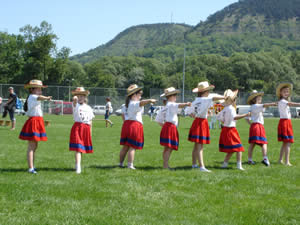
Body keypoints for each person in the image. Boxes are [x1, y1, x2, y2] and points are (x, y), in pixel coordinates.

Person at [186, 81, 224, 172]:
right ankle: (201, 166)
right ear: (205, 92)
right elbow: (214, 98)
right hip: (202, 121)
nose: (209, 93)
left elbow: (189, 112)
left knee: (196, 145)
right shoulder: (205, 99)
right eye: (208, 91)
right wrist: (225, 97)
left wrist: (195, 114)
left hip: (196, 121)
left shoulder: (196, 100)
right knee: (200, 145)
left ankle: (194, 164)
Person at [119, 84, 156, 169]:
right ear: (134, 95)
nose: (140, 96)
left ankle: (120, 163)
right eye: (139, 94)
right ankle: (130, 165)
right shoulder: (134, 103)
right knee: (133, 146)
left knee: (125, 146)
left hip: (127, 125)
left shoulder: (127, 104)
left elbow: (123, 116)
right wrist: (150, 100)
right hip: (134, 125)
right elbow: (141, 103)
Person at [19, 80, 52, 174]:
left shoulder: (33, 97)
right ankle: (30, 168)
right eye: (38, 89)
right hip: (34, 122)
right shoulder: (33, 96)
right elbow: (40, 97)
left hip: (37, 121)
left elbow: (39, 97)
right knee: (32, 146)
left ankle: (32, 166)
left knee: (34, 146)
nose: (40, 91)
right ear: (32, 89)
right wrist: (47, 97)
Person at [217, 89, 250, 171]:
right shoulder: (231, 108)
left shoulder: (224, 108)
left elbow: (219, 118)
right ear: (233, 100)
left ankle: (225, 164)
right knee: (239, 148)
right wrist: (245, 115)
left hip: (225, 129)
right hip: (231, 130)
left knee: (232, 149)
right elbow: (234, 117)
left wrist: (225, 121)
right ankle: (239, 165)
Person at [159, 87, 191, 169]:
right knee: (169, 148)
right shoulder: (171, 104)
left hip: (168, 126)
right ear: (170, 96)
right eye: (174, 95)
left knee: (167, 147)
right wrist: (186, 104)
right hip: (170, 127)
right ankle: (165, 165)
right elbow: (179, 105)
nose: (176, 96)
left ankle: (165, 165)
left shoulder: (168, 105)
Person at [246, 90, 277, 166]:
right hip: (258, 126)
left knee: (252, 144)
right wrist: (273, 103)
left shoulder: (252, 107)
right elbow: (264, 105)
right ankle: (265, 159)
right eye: (258, 97)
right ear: (254, 99)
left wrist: (251, 124)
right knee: (264, 143)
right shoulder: (256, 106)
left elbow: (246, 118)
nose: (260, 98)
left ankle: (250, 159)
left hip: (254, 126)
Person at [69, 87, 95, 174]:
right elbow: (74, 102)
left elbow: (91, 121)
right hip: (78, 127)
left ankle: (78, 164)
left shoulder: (88, 108)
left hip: (86, 128)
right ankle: (78, 167)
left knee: (81, 148)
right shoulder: (75, 105)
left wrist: (90, 132)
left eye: (82, 96)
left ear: (85, 97)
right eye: (78, 96)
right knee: (78, 148)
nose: (80, 98)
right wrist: (75, 100)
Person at [276, 83, 300, 166]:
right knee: (288, 142)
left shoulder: (283, 101)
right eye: (284, 91)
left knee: (285, 143)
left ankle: (280, 160)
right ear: (280, 93)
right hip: (285, 122)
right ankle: (287, 161)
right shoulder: (282, 101)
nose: (287, 93)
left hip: (286, 122)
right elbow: (291, 104)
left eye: (287, 91)